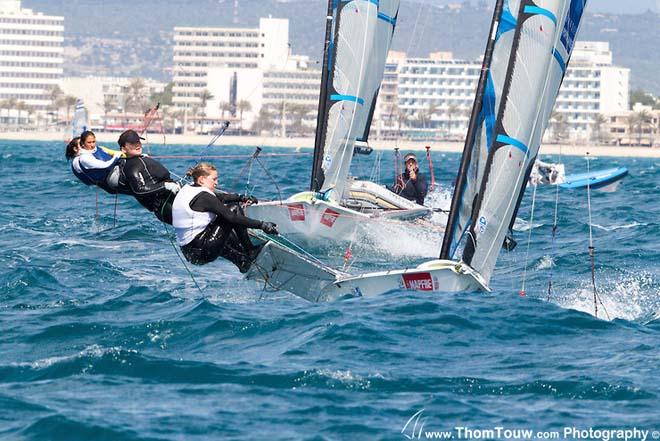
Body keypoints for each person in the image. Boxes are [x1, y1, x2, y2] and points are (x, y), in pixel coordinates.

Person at [172, 162, 278, 273]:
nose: (216, 183)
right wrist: (262, 225)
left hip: (190, 253)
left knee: (213, 223)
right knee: (233, 209)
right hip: (202, 251)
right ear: (202, 179)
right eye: (214, 179)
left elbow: (218, 197)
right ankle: (250, 250)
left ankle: (241, 260)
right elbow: (231, 217)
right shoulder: (204, 197)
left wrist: (241, 198)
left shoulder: (189, 189)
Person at [117, 129, 181, 224]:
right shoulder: (131, 167)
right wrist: (166, 186)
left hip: (171, 198)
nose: (137, 145)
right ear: (123, 149)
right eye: (132, 143)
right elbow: (139, 190)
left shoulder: (140, 159)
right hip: (165, 206)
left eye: (138, 141)